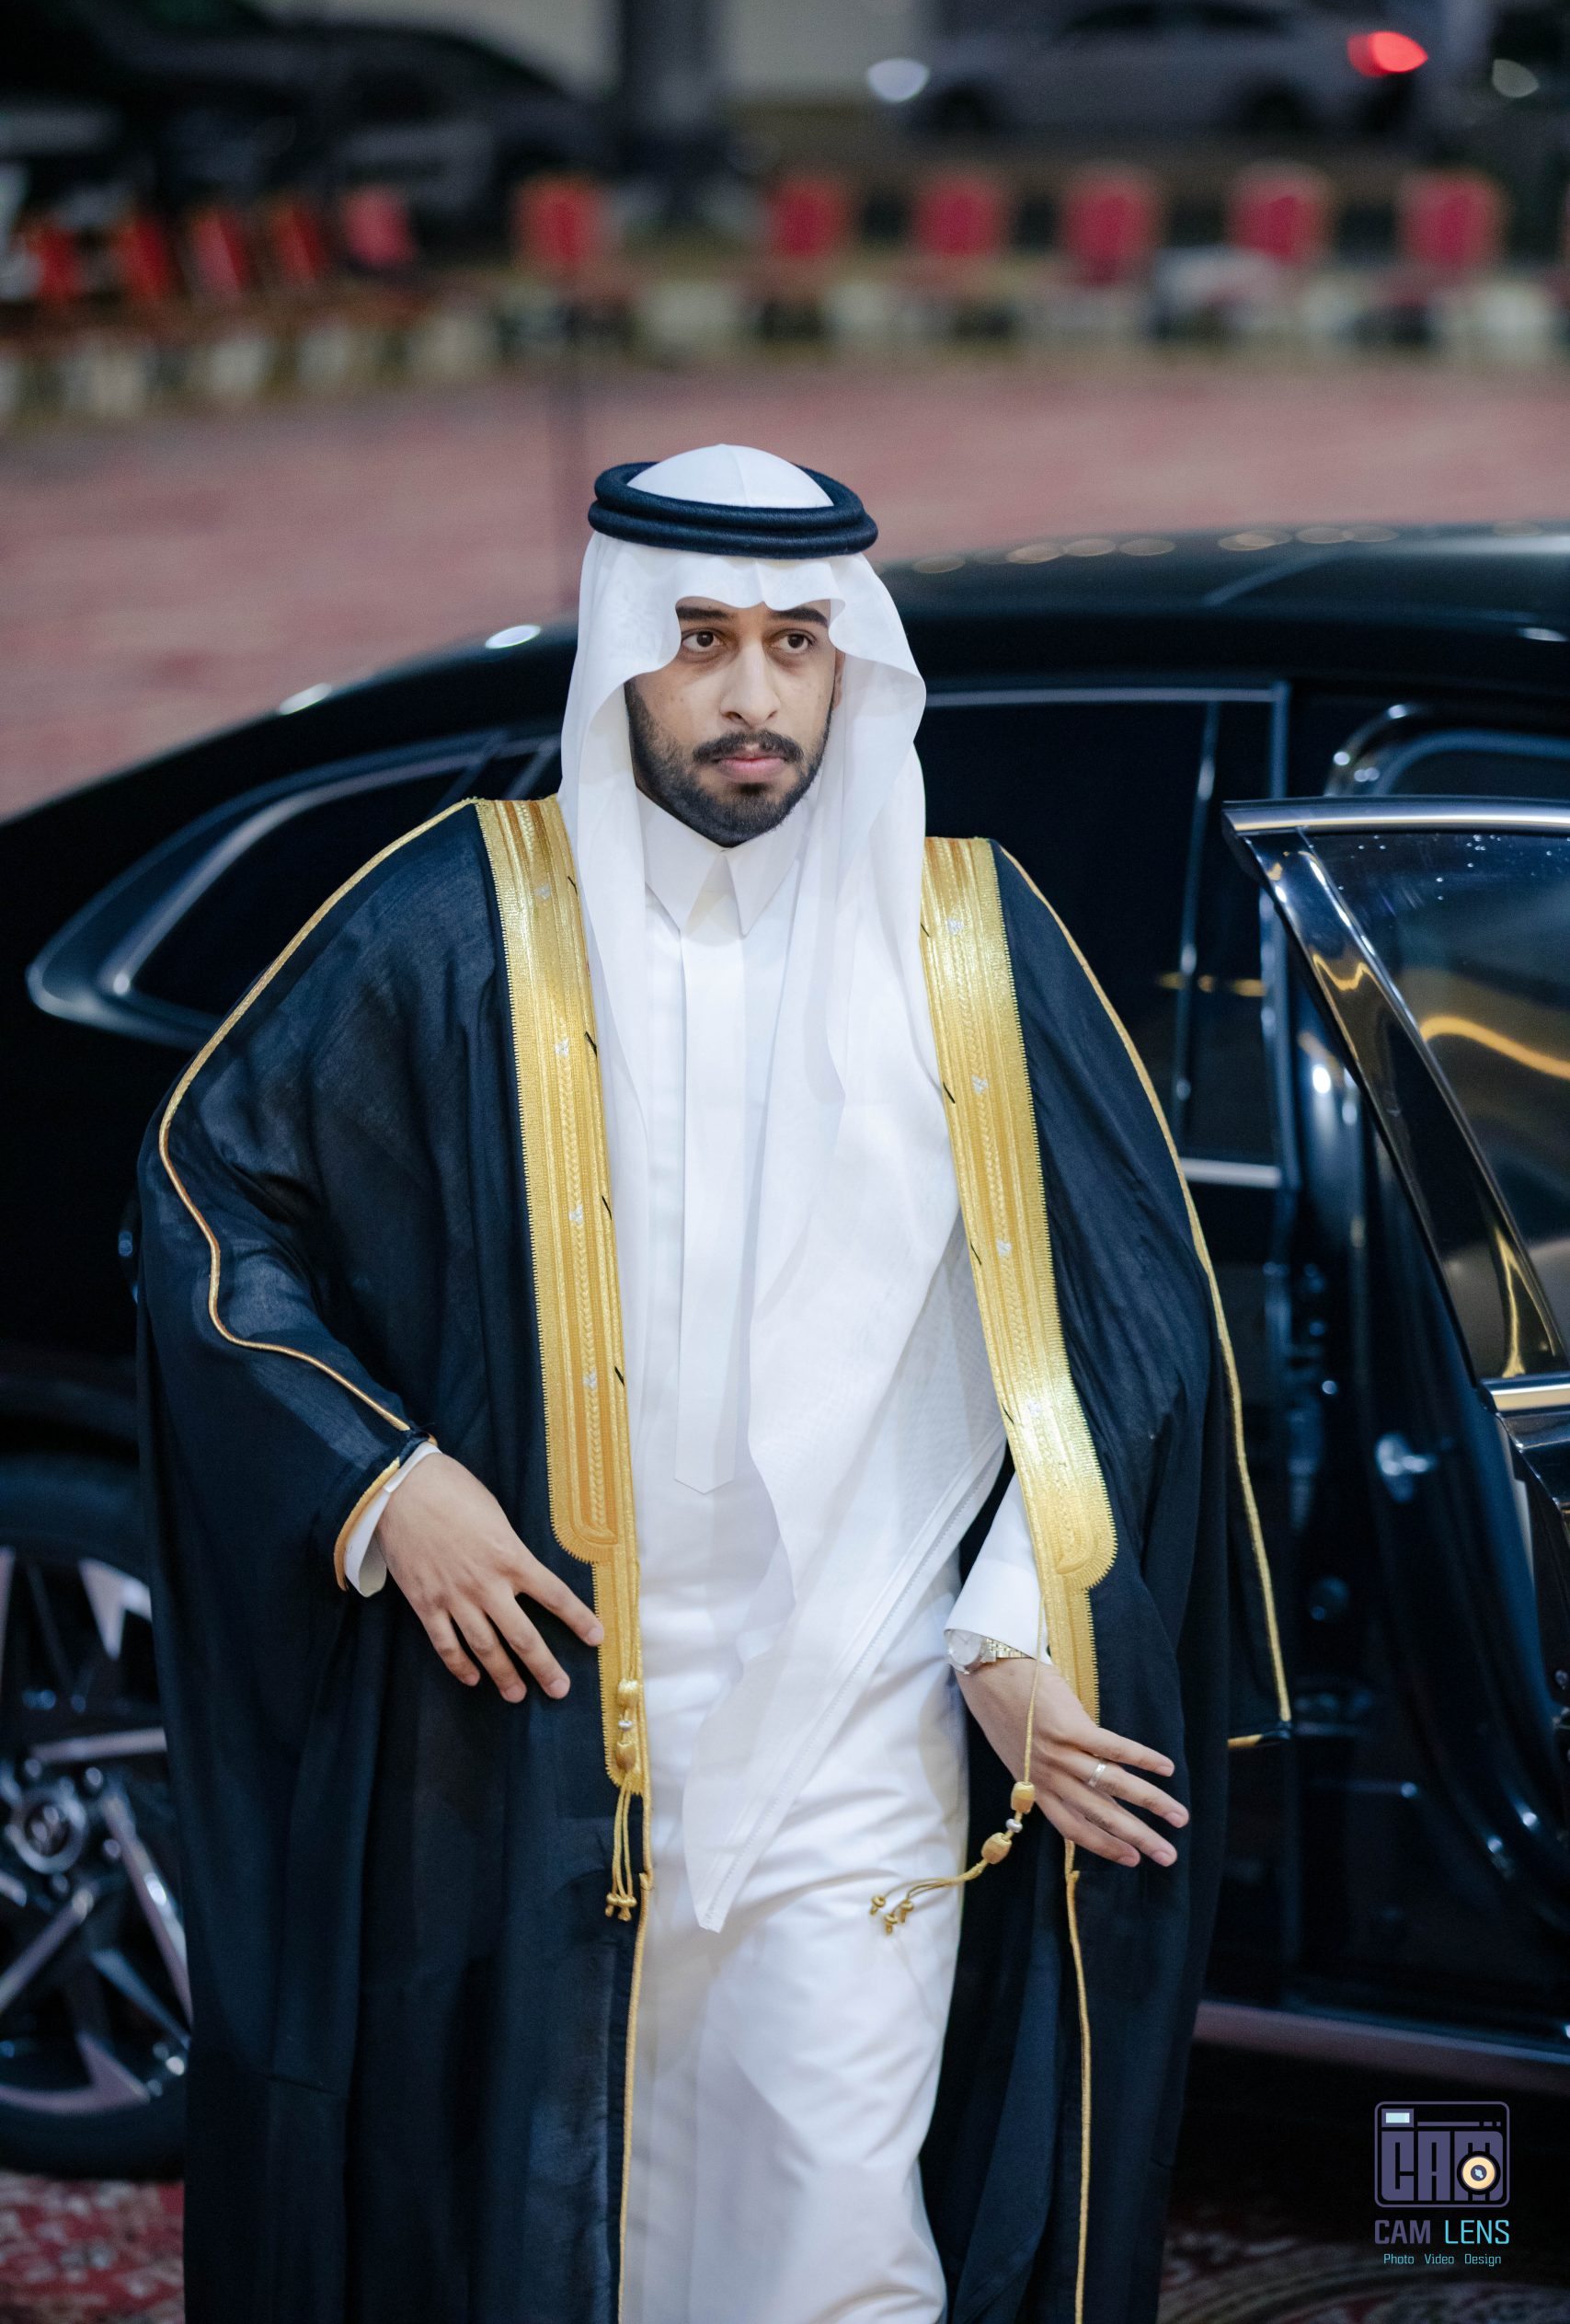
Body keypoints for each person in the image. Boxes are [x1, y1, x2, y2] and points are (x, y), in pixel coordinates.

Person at [136, 444, 1291, 2324]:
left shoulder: (969, 945)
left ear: (854, 667)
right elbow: (212, 1201)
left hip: (864, 1717)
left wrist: (1012, 1632)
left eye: (794, 644)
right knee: (549, 2228)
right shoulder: (453, 922)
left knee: (834, 2236)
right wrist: (381, 1482)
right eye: (698, 641)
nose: (752, 692)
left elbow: (1122, 1339)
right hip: (529, 1725)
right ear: (618, 655)